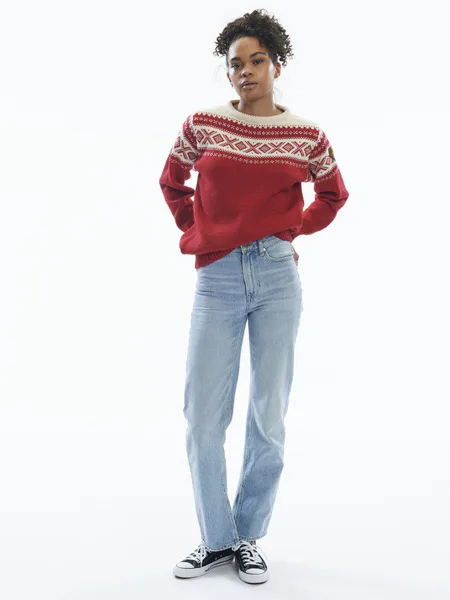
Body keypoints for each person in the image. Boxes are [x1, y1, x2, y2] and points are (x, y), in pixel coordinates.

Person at [158, 9, 350, 585]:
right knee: (202, 416)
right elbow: (171, 180)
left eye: (257, 60)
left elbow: (333, 194)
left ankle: (247, 537)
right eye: (236, 63)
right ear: (228, 73)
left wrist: (288, 232)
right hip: (216, 277)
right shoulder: (202, 125)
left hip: (275, 278)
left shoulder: (306, 135)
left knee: (268, 414)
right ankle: (216, 539)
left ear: (276, 65)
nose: (246, 71)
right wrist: (201, 230)